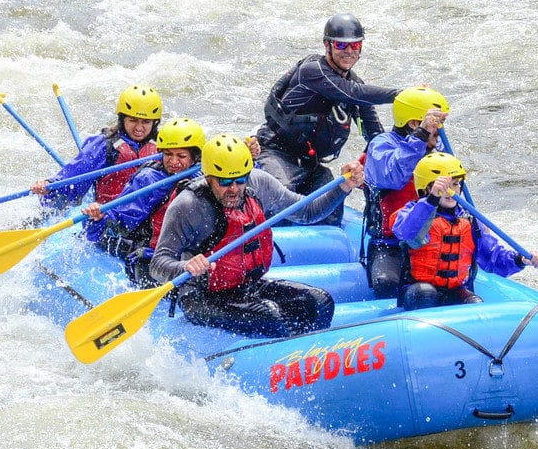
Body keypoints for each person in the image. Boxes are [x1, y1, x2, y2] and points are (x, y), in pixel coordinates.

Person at [150, 133, 365, 337]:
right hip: (202, 296)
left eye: (240, 180)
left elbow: (308, 212)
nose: (234, 189)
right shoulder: (188, 206)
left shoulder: (259, 183)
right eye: (224, 182)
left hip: (246, 286)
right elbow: (158, 264)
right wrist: (185, 267)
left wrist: (344, 186)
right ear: (208, 178)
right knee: (271, 316)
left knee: (320, 302)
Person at [255, 13, 402, 226]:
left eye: (355, 45)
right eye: (342, 46)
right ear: (327, 45)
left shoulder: (357, 88)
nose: (349, 52)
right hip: (277, 153)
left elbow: (376, 136)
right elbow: (352, 92)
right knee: (283, 203)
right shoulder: (313, 71)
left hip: (310, 164)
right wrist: (401, 94)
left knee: (331, 213)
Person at [391, 152, 538, 311]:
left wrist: (520, 259)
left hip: (454, 291)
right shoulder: (411, 212)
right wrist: (431, 200)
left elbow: (493, 256)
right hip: (418, 291)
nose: (451, 191)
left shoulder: (470, 220)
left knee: (473, 303)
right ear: (425, 189)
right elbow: (407, 233)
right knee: (426, 294)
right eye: (444, 186)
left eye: (455, 184)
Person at [79, 117, 207, 285]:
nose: (173, 161)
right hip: (147, 253)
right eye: (168, 154)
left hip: (182, 256)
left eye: (181, 156)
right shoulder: (149, 179)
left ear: (195, 158)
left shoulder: (203, 180)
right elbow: (121, 219)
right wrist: (100, 216)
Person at [363, 86, 450, 298]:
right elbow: (393, 176)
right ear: (414, 124)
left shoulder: (437, 153)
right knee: (387, 284)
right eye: (436, 125)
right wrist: (420, 137)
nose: (440, 131)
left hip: (429, 241)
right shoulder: (381, 145)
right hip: (390, 243)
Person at [29, 84, 162, 211]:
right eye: (133, 120)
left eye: (146, 122)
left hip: (148, 219)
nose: (139, 127)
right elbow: (76, 175)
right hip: (110, 217)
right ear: (122, 119)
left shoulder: (163, 147)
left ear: (154, 123)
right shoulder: (106, 145)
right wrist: (50, 185)